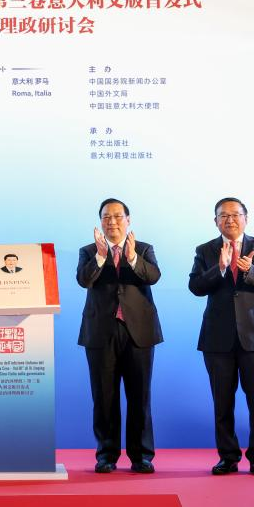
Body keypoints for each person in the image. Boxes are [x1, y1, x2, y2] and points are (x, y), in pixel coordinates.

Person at [188, 197, 254, 477]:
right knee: (222, 403)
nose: (229, 220)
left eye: (235, 214)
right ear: (215, 221)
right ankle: (227, 457)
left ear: (246, 218)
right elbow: (195, 286)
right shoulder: (205, 250)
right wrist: (219, 268)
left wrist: (250, 270)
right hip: (217, 338)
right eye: (223, 215)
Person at [77, 198, 162, 474]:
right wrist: (101, 257)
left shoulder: (144, 248)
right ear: (100, 221)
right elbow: (83, 280)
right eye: (106, 217)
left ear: (128, 220)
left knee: (140, 397)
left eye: (117, 216)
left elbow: (153, 276)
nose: (112, 222)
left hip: (138, 331)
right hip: (100, 332)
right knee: (104, 397)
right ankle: (106, 455)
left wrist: (133, 257)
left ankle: (141, 456)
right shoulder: (89, 251)